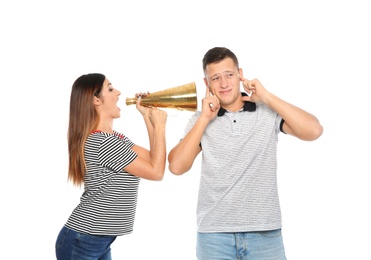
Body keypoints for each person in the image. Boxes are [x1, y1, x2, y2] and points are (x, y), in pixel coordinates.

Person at [168, 47, 323, 260]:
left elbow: (314, 130)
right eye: (215, 78)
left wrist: (267, 97)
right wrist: (205, 119)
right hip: (214, 236)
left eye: (229, 75)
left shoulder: (266, 112)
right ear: (207, 83)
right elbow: (177, 166)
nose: (224, 84)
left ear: (240, 74)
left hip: (265, 233)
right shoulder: (199, 120)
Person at [55, 73, 167, 260]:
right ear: (96, 100)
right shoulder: (103, 143)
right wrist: (161, 127)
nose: (118, 93)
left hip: (97, 241)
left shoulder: (116, 138)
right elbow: (156, 172)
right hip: (82, 241)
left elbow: (154, 158)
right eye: (110, 88)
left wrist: (148, 117)